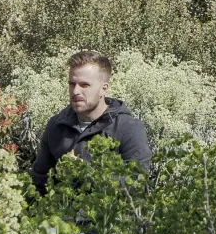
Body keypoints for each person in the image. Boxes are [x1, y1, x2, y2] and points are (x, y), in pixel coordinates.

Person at [29, 50, 153, 190]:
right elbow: (39, 180)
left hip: (107, 210)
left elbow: (137, 183)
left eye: (84, 85)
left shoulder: (128, 128)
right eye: (72, 84)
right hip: (61, 209)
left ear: (103, 89)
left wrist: (86, 174)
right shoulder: (56, 125)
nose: (76, 91)